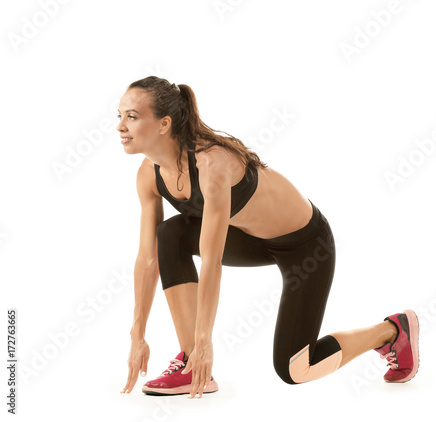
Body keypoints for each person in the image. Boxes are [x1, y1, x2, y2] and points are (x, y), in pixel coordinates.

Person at [117, 76, 419, 399]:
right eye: (119, 116)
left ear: (164, 124)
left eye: (132, 117)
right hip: (251, 240)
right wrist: (138, 334)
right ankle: (192, 365)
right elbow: (147, 259)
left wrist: (206, 338)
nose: (121, 126)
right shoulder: (148, 175)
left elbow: (212, 261)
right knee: (170, 234)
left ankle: (392, 331)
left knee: (295, 369)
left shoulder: (210, 164)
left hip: (305, 245)